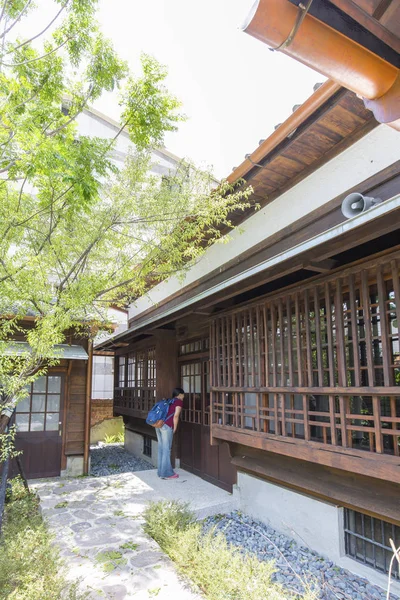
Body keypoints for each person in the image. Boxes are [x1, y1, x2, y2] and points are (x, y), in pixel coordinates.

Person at [156, 387, 184, 479]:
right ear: (180, 394)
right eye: (183, 395)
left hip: (158, 425)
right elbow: (176, 416)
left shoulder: (169, 401)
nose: (184, 396)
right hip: (167, 426)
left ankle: (160, 471)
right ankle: (166, 473)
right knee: (167, 450)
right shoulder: (179, 402)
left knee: (161, 448)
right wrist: (174, 428)